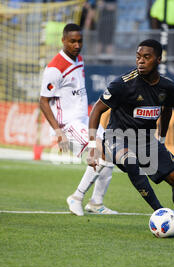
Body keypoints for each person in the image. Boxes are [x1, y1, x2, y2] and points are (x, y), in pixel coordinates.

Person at [87, 39, 174, 233]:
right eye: (138, 57)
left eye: (146, 57)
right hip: (117, 137)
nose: (140, 61)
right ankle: (161, 213)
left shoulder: (167, 87)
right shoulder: (122, 84)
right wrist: (93, 147)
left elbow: (167, 110)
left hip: (146, 140)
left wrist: (162, 138)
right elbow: (96, 111)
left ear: (158, 59)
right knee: (131, 161)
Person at [39, 23, 117, 216]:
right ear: (63, 40)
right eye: (72, 41)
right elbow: (43, 102)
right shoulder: (55, 68)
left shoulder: (79, 59)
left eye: (79, 41)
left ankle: (96, 203)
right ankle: (77, 197)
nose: (76, 45)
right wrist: (58, 132)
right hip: (68, 124)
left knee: (110, 153)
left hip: (84, 119)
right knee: (99, 150)